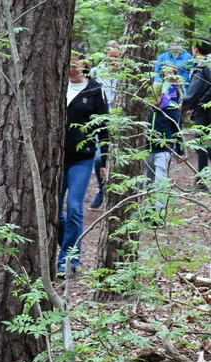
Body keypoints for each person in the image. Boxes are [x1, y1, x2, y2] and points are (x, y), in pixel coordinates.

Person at [58, 49, 109, 276]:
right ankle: (67, 246)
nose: (71, 67)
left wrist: (105, 158)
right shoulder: (56, 84)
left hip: (82, 158)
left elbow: (104, 127)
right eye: (67, 62)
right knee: (54, 211)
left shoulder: (94, 89)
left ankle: (68, 261)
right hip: (55, 159)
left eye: (74, 63)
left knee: (75, 208)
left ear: (84, 64)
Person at [146, 71, 185, 213]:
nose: (154, 99)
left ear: (162, 94)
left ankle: (158, 213)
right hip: (147, 150)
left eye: (156, 95)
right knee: (148, 182)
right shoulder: (147, 109)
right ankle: (149, 210)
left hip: (163, 150)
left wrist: (180, 151)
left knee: (160, 181)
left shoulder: (171, 109)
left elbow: (177, 130)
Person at [89, 42, 121, 209]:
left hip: (119, 121)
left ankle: (117, 194)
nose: (114, 61)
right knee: (98, 158)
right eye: (111, 57)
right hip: (100, 120)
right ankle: (101, 190)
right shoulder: (95, 72)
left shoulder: (125, 74)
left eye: (117, 57)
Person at [182, 38, 211, 187]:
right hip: (202, 108)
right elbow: (200, 88)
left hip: (205, 111)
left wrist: (199, 103)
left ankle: (201, 182)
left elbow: (197, 89)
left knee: (200, 144)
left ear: (196, 50)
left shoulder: (204, 65)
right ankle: (201, 180)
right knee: (202, 143)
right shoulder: (202, 65)